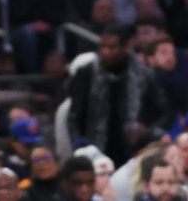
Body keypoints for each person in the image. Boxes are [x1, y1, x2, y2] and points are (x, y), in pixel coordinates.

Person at [67, 23, 171, 167]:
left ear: (126, 46)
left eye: (111, 47)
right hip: (96, 149)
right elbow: (74, 116)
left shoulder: (145, 74)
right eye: (102, 46)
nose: (105, 52)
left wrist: (148, 132)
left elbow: (164, 112)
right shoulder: (86, 73)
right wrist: (80, 146)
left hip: (134, 150)